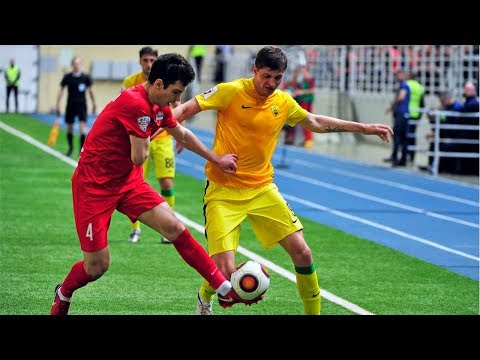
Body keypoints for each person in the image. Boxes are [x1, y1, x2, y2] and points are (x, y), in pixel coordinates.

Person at [172, 45, 393, 315]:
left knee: (303, 253)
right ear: (254, 70)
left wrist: (364, 128)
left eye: (278, 78)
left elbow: (315, 122)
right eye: (266, 76)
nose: (271, 84)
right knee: (225, 274)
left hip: (263, 189)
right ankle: (204, 297)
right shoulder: (229, 91)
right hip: (223, 192)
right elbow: (181, 111)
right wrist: (176, 134)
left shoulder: (283, 102)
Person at [50, 53, 259, 315]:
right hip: (94, 187)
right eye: (175, 92)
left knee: (175, 227)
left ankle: (225, 290)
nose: (177, 100)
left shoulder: (157, 104)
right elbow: (139, 156)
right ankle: (64, 292)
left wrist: (215, 159)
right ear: (158, 84)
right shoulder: (135, 103)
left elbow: (181, 132)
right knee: (97, 266)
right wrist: (148, 126)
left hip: (127, 181)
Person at [122, 46, 180, 244]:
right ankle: (135, 230)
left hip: (163, 140)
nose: (149, 64)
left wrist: (180, 136)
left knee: (167, 184)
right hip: (140, 140)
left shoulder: (166, 82)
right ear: (140, 61)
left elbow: (177, 107)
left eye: (152, 60)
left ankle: (167, 229)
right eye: (145, 60)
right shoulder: (131, 82)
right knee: (135, 184)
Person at [56, 56, 97, 158]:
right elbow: (61, 90)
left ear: (81, 65)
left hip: (82, 105)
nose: (77, 65)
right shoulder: (68, 77)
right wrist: (57, 104)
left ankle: (81, 151)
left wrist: (94, 104)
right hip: (70, 104)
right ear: (72, 65)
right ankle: (70, 148)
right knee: (69, 128)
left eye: (78, 63)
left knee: (82, 128)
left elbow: (91, 91)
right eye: (75, 63)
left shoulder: (85, 77)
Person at [384, 68, 410, 167]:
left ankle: (398, 158)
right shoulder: (402, 85)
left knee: (398, 136)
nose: (397, 77)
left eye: (398, 75)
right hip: (401, 113)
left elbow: (401, 97)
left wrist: (392, 106)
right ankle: (397, 157)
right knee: (400, 136)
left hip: (402, 114)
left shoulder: (404, 85)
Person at [405, 71, 425, 163]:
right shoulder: (420, 87)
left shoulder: (406, 84)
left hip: (406, 113)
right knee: (412, 135)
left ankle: (405, 155)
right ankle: (412, 156)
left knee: (404, 135)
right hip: (416, 114)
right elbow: (422, 102)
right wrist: (420, 115)